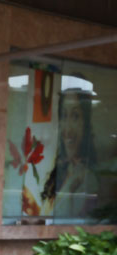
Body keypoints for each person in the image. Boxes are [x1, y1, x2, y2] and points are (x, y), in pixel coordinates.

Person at [41, 84, 99, 218]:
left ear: (86, 123)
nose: (68, 128)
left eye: (75, 116)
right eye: (64, 115)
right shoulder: (57, 168)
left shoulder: (88, 178)